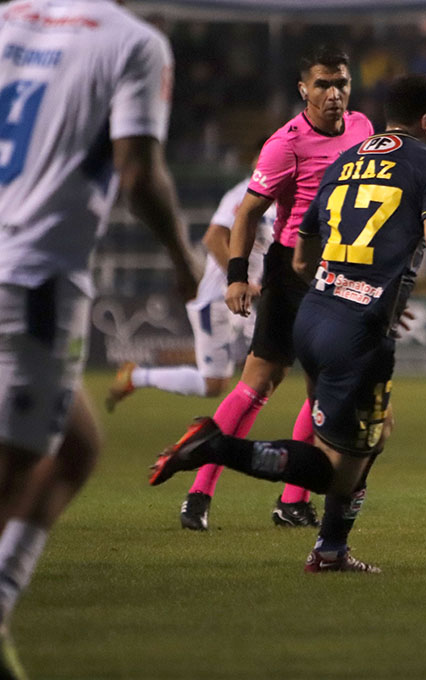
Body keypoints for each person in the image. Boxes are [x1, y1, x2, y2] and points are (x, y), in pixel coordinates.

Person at [148, 73, 426, 574]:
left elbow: (302, 251)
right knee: (337, 472)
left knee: (372, 432)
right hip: (357, 333)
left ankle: (330, 549)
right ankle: (217, 448)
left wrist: (339, 283)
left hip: (313, 312)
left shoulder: (345, 159)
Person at [0, 1, 199, 677]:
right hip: (31, 282)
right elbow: (138, 174)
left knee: (79, 444)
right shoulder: (132, 43)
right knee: (13, 475)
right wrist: (182, 257)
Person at [173, 44, 374, 532]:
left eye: (341, 83)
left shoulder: (365, 129)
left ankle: (292, 501)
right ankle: (199, 492)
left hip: (343, 267)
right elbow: (246, 213)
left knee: (322, 388)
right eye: (323, 84)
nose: (333, 94)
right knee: (260, 384)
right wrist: (238, 275)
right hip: (294, 271)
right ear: (304, 89)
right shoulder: (286, 143)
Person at [104, 174, 275, 411]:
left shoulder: (278, 198)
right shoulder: (245, 192)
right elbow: (214, 238)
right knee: (213, 383)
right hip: (219, 301)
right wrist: (241, 280)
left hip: (242, 303)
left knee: (270, 361)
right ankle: (136, 376)